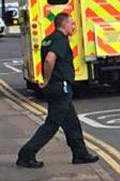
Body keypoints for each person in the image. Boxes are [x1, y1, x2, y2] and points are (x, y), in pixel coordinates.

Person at [16, 13, 99, 169]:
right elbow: (49, 59)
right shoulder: (60, 39)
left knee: (71, 122)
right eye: (71, 23)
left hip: (56, 87)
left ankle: (80, 154)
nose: (73, 26)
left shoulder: (48, 39)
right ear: (63, 24)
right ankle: (26, 154)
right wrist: (47, 79)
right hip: (60, 86)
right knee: (52, 124)